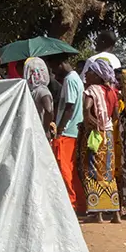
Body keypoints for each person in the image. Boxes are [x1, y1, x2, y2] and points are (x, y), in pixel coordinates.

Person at [79, 58, 121, 222]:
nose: (87, 74)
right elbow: (116, 115)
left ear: (97, 75)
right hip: (109, 135)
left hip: (95, 135)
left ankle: (98, 213)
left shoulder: (92, 90)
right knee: (109, 172)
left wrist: (92, 121)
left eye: (90, 72)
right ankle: (115, 212)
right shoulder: (112, 92)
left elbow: (86, 109)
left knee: (93, 171)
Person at [52, 57, 85, 210]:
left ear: (60, 64)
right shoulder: (74, 78)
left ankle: (72, 202)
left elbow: (69, 106)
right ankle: (78, 202)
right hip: (71, 129)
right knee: (69, 168)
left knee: (64, 168)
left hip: (68, 130)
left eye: (53, 66)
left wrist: (59, 129)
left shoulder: (70, 80)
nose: (52, 71)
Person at [23, 56, 57, 136]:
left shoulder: (32, 91)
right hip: (38, 132)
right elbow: (49, 110)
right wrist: (45, 129)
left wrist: (45, 130)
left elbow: (48, 110)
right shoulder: (42, 90)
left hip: (33, 132)